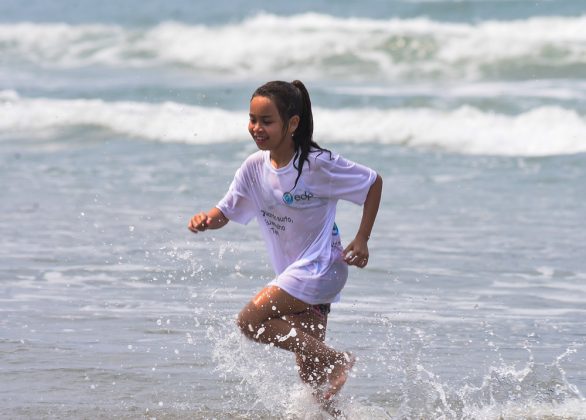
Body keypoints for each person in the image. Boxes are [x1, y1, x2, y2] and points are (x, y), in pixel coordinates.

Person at [188, 80, 382, 406]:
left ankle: (337, 358)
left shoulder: (317, 164)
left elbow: (372, 182)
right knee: (314, 388)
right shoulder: (254, 168)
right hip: (296, 274)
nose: (256, 128)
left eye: (266, 121)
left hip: (321, 269)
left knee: (249, 321)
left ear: (292, 123)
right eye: (252, 119)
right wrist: (207, 219)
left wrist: (362, 238)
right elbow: (227, 209)